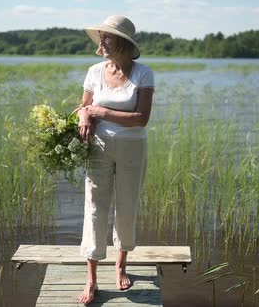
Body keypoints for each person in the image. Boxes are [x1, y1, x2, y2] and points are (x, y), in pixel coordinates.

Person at [76, 15, 154, 304]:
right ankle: (92, 279)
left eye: (107, 37)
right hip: (97, 148)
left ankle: (121, 266)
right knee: (95, 207)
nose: (102, 42)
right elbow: (83, 107)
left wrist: (101, 113)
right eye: (102, 37)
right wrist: (86, 114)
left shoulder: (143, 74)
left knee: (126, 206)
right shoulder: (94, 71)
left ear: (123, 42)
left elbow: (141, 119)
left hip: (133, 149)